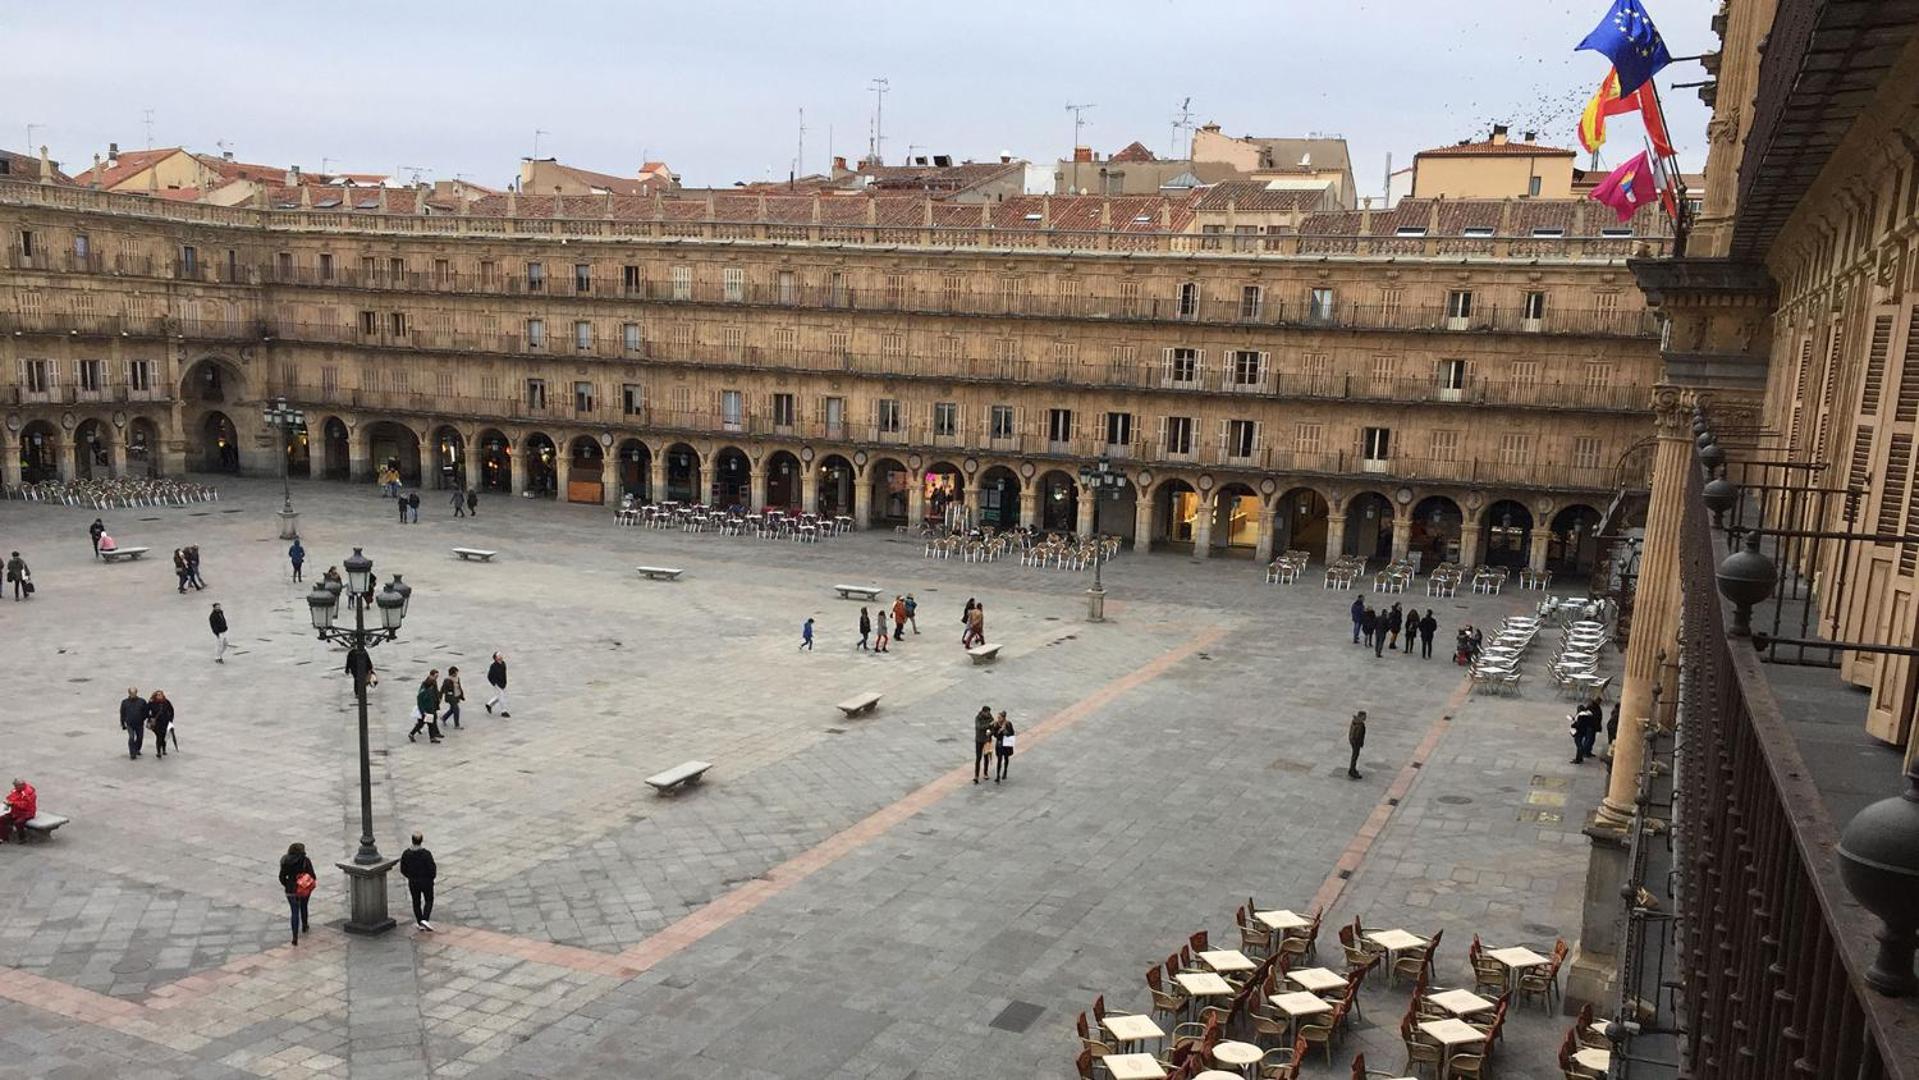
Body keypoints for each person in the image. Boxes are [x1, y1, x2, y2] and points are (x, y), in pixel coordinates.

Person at [399, 832, 438, 932]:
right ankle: (425, 919)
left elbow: (403, 869)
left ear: (412, 840)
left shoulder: (406, 854)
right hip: (426, 882)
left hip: (413, 882)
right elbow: (432, 868)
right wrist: (431, 878)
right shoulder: (426, 854)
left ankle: (420, 921)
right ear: (421, 840)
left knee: (416, 902)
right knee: (429, 900)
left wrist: (410, 877)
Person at [279, 843, 315, 945]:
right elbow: (312, 875)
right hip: (303, 888)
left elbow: (281, 877)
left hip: (290, 890)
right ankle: (305, 925)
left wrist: (287, 885)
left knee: (294, 912)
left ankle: (295, 936)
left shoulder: (285, 860)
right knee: (304, 906)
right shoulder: (305, 860)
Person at [409, 671, 444, 743]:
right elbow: (420, 702)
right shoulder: (423, 691)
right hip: (426, 711)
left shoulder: (430, 690)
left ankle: (432, 738)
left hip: (431, 710)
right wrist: (423, 712)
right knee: (421, 724)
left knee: (431, 724)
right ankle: (411, 734)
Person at [1570, 698, 1603, 764]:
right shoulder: (1591, 709)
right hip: (1588, 729)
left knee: (1583, 744)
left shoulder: (1584, 714)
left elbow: (1578, 724)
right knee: (1586, 742)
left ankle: (1581, 756)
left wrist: (1573, 724)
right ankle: (1583, 754)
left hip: (1582, 731)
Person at [119, 687, 148, 759]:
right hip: (129, 723)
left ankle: (137, 749)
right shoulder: (125, 702)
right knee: (131, 737)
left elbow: (146, 711)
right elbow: (122, 713)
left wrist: (143, 718)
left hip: (139, 723)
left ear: (136, 693)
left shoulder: (142, 701)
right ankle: (132, 753)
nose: (133, 695)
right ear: (129, 693)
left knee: (140, 738)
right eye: (131, 693)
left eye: (134, 693)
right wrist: (123, 723)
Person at [972, 706, 996, 784]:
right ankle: (976, 775)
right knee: (978, 758)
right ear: (983, 712)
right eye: (987, 713)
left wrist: (991, 732)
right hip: (979, 740)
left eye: (989, 713)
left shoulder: (991, 718)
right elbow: (980, 727)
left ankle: (985, 773)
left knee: (986, 757)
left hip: (987, 740)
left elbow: (993, 729)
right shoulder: (978, 718)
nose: (988, 714)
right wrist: (989, 725)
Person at [147, 691, 175, 758]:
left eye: (160, 695)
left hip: (165, 722)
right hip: (156, 724)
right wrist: (150, 718)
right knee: (159, 737)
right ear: (155, 696)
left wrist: (170, 720)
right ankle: (158, 752)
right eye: (158, 695)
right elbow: (146, 711)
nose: (159, 696)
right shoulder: (152, 702)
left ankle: (164, 749)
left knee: (164, 737)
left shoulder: (166, 702)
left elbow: (171, 711)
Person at [992, 711, 1016, 783]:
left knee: (1006, 757)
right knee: (999, 759)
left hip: (1006, 744)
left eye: (999, 717)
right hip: (999, 744)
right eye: (998, 717)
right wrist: (999, 731)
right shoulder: (996, 724)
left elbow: (1012, 733)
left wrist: (1004, 731)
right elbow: (995, 734)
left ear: (1003, 718)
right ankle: (998, 775)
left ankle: (1005, 771)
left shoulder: (1008, 724)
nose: (998, 719)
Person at [1347, 710, 1367, 780]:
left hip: (1353, 741)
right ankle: (1352, 770)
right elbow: (1357, 735)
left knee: (1354, 756)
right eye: (1364, 716)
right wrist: (1358, 743)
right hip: (1356, 742)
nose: (1365, 718)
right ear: (1361, 716)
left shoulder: (1355, 721)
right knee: (1355, 756)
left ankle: (1352, 769)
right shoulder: (1360, 725)